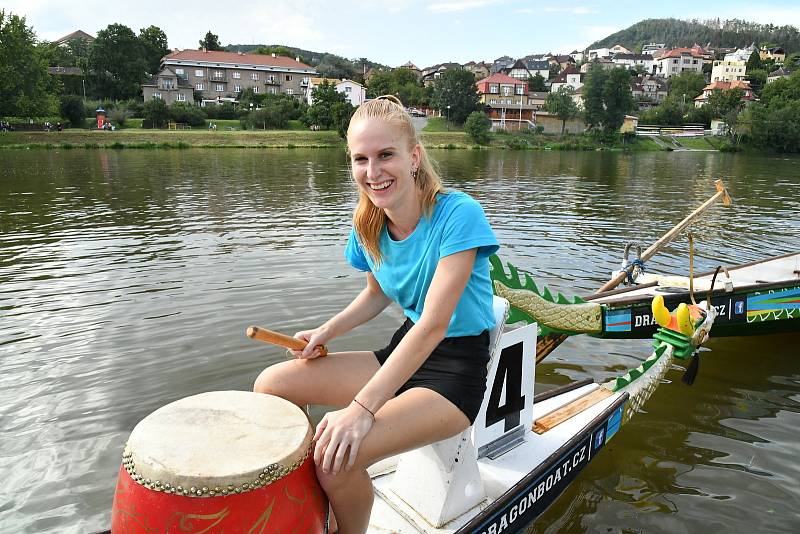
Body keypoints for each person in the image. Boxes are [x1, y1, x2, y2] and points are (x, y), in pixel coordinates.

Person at [253, 95, 498, 533]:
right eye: (361, 159)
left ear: (414, 157)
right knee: (271, 385)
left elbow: (434, 324)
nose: (373, 172)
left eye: (386, 155)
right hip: (402, 353)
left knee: (334, 459)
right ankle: (307, 513)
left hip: (453, 372)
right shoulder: (368, 223)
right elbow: (375, 295)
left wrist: (361, 409)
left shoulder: (458, 214)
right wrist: (322, 332)